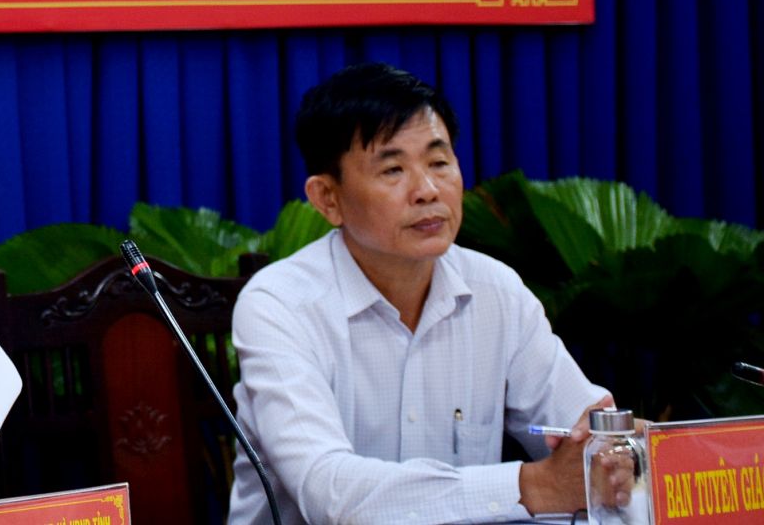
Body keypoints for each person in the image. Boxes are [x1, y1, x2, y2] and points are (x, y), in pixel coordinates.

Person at [227, 62, 612, 525]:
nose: (428, 190)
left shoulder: (497, 291)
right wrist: (532, 486)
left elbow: (584, 431)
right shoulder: (279, 305)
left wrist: (611, 452)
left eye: (439, 162)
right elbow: (329, 493)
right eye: (393, 169)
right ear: (328, 199)